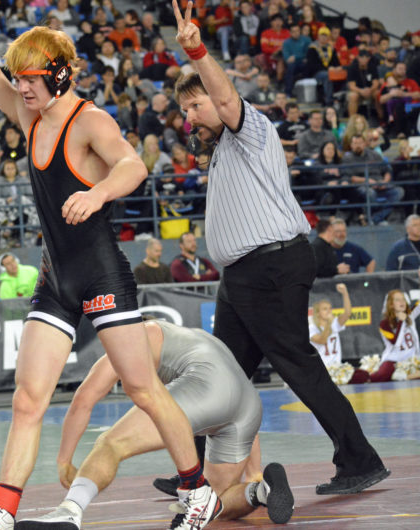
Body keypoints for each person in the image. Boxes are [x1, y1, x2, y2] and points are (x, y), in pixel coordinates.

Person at [0, 6, 216, 530]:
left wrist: (98, 193)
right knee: (28, 399)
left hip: (101, 272)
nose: (20, 89)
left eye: (30, 80)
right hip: (56, 278)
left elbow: (133, 164)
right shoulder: (30, 115)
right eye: (18, 79)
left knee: (142, 390)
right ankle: (1, 512)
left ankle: (197, 491)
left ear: (59, 75)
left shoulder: (90, 120)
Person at [171, 0, 388, 496]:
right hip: (243, 276)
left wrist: (199, 51)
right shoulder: (222, 150)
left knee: (296, 364)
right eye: (184, 110)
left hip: (269, 265)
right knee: (220, 374)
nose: (189, 118)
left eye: (195, 106)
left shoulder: (251, 129)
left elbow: (226, 99)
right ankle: (195, 473)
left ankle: (359, 458)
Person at [17, 319, 294, 529]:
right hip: (248, 403)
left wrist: (65, 459)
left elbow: (83, 400)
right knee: (214, 499)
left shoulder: (129, 341)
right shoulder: (184, 337)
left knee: (110, 444)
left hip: (207, 387)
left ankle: (70, 510)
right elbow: (235, 394)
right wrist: (254, 472)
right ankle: (261, 492)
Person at [309, 284, 370, 385]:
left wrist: (345, 293)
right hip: (323, 369)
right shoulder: (312, 328)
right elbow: (322, 340)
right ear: (318, 313)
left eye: (330, 308)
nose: (329, 311)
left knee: (364, 375)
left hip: (337, 367)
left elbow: (347, 313)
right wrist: (329, 323)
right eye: (325, 309)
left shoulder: (334, 324)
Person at [370, 288, 420, 382]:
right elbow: (395, 343)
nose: (402, 302)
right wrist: (402, 321)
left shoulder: (410, 315)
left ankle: (406, 376)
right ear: (391, 304)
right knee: (381, 376)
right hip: (394, 358)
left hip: (412, 357)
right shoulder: (384, 324)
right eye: (397, 300)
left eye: (403, 299)